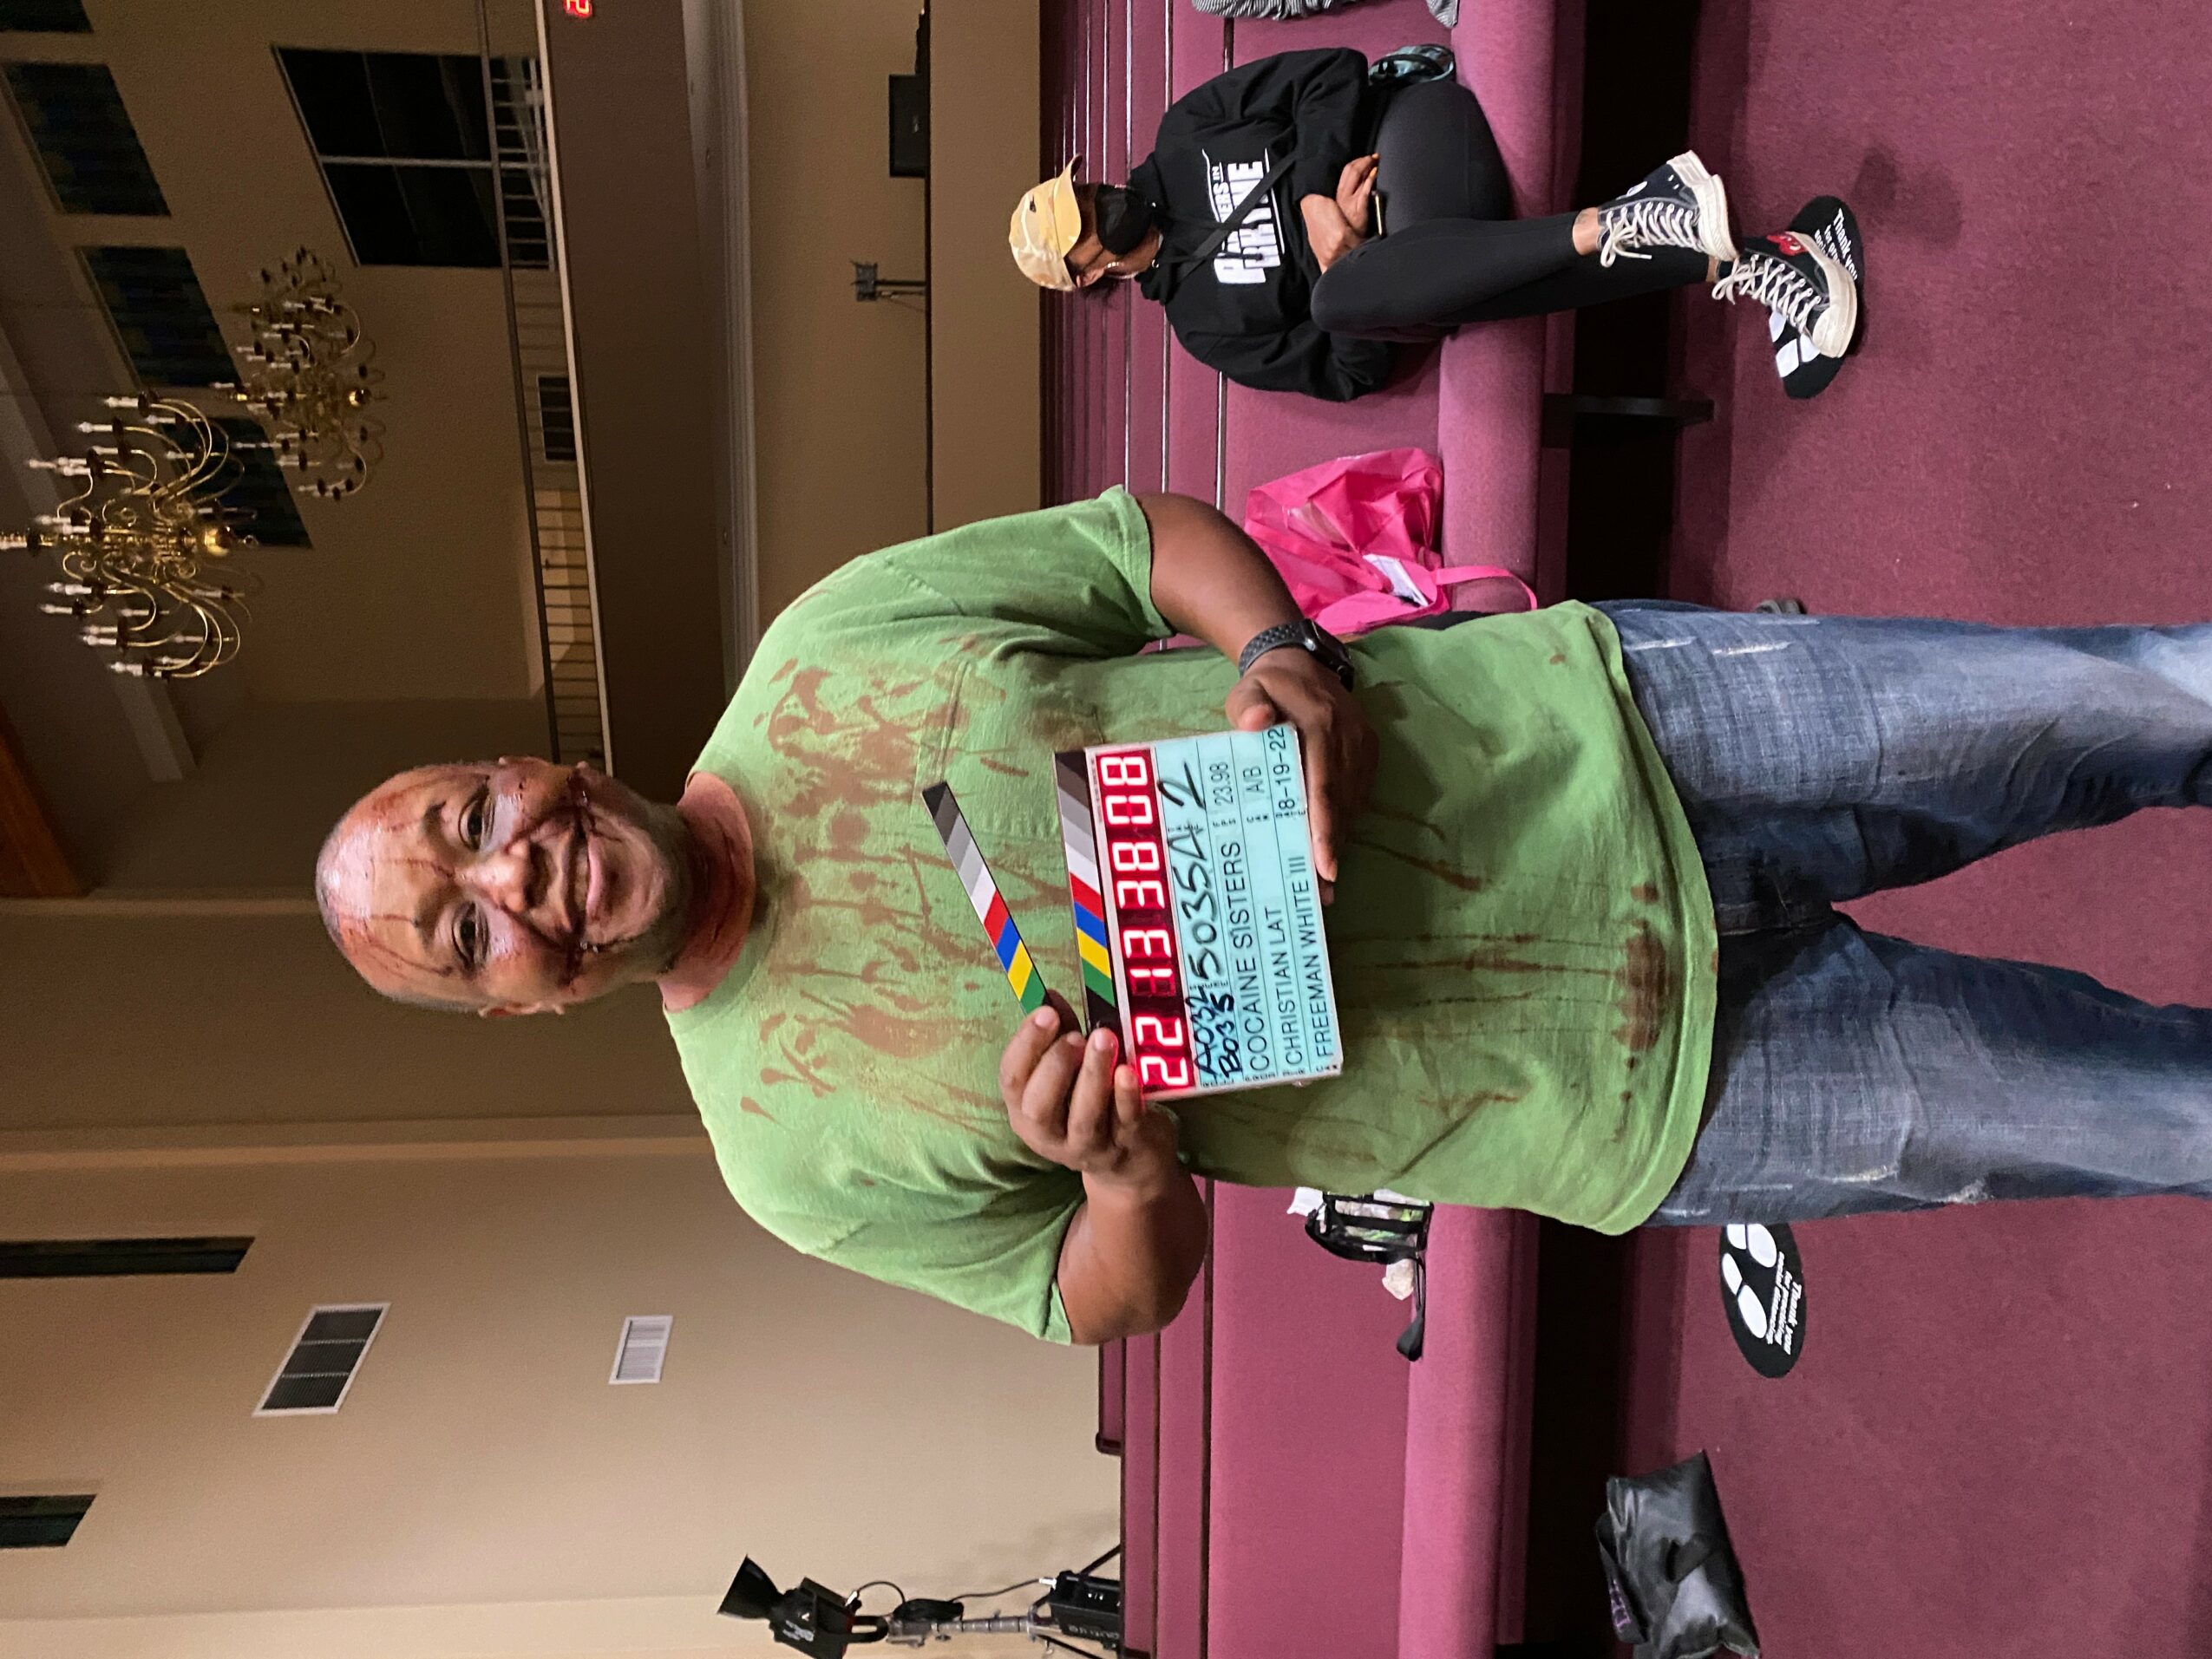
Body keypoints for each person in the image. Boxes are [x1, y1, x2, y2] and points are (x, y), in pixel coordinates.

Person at [317, 492, 2212, 1344]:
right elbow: (1093, 1299)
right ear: (513, 1006)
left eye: (470, 820)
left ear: (525, 761)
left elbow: (1138, 539)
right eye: (463, 931)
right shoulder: (782, 1156)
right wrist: (1130, 1177)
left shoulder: (819, 645)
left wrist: (1288, 652)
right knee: (2173, 1120)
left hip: (1607, 726)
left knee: (2145, 694)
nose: (511, 878)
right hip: (1634, 1087)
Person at [1009, 49, 1861, 402]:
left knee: (1402, 286)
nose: (1097, 203)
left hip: (1412, 141)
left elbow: (1332, 76)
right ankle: (1659, 229)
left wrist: (1313, 200)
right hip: (1408, 276)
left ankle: (1662, 232)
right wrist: (1352, 257)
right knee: (1352, 301)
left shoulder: (1184, 129)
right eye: (1082, 222)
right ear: (1087, 275)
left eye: (1082, 192)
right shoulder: (1202, 327)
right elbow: (1348, 376)